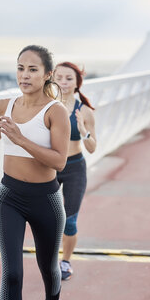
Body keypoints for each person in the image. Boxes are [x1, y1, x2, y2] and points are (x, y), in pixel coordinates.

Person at [0, 45, 70, 300]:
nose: (24, 75)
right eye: (20, 68)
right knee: (12, 274)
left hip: (45, 200)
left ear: (47, 74)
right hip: (9, 197)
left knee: (49, 270)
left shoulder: (55, 111)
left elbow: (59, 161)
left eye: (32, 70)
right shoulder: (5, 105)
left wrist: (20, 139)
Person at [53, 62, 96, 281]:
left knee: (69, 221)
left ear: (77, 82)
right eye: (59, 77)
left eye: (69, 78)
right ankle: (50, 259)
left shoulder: (85, 110)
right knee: (49, 219)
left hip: (75, 168)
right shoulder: (47, 106)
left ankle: (66, 261)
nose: (63, 82)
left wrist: (83, 131)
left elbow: (92, 147)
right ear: (52, 79)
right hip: (50, 167)